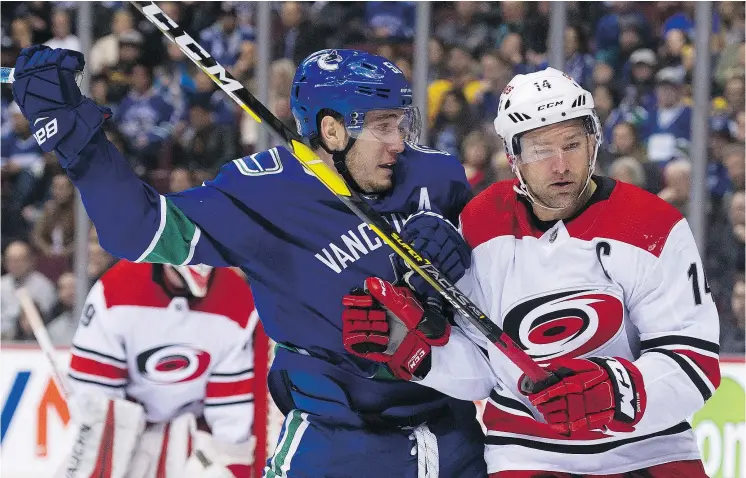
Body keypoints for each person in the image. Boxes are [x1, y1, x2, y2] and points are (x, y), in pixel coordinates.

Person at [12, 46, 486, 477]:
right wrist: (76, 140)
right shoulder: (264, 194)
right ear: (332, 130)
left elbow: (502, 276)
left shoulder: (435, 177)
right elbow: (137, 229)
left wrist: (460, 242)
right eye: (382, 126)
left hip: (455, 435)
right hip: (338, 444)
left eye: (402, 123)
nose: (399, 142)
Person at [344, 68, 721, 477]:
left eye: (572, 144)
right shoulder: (483, 222)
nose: (561, 165)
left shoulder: (650, 225)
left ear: (593, 140)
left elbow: (694, 363)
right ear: (514, 156)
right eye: (542, 150)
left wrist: (614, 390)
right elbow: (483, 373)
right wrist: (410, 346)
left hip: (650, 450)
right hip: (527, 454)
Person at [62, 261, 265, 477]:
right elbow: (95, 399)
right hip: (129, 430)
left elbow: (231, 421)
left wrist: (229, 467)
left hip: (193, 436)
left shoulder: (237, 298)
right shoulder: (115, 288)